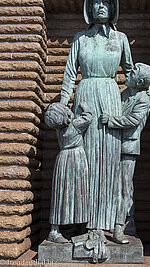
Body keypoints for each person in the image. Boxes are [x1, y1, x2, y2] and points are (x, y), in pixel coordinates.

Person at [59, 0, 134, 236]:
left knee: (110, 161)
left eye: (105, 3)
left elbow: (131, 74)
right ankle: (86, 222)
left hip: (111, 96)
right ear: (89, 9)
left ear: (112, 9)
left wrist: (143, 93)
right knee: (86, 161)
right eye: (96, 3)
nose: (101, 6)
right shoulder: (81, 39)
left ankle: (107, 223)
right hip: (86, 96)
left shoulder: (120, 39)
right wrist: (62, 104)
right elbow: (70, 74)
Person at [100, 63, 150, 243]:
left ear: (139, 81)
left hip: (128, 148)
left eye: (134, 71)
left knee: (124, 189)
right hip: (113, 144)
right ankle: (122, 224)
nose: (129, 72)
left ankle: (119, 228)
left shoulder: (143, 100)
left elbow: (132, 120)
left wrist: (110, 120)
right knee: (114, 187)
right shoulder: (125, 93)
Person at [45, 102, 93, 243]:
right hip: (76, 159)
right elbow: (89, 117)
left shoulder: (59, 129)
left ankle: (69, 226)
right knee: (77, 193)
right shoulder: (74, 125)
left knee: (62, 194)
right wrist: (84, 106)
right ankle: (55, 231)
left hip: (63, 160)